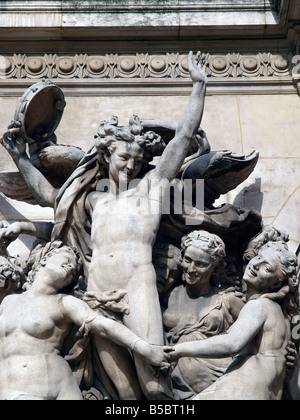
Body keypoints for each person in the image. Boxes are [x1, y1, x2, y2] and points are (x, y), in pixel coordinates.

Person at [0, 51, 208, 399]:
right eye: (124, 158)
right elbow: (56, 201)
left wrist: (199, 86)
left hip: (136, 286)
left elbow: (183, 138)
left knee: (155, 386)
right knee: (124, 393)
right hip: (96, 292)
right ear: (107, 155)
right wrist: (19, 158)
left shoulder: (151, 188)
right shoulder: (92, 198)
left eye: (137, 160)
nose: (130, 166)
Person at [0, 240, 172, 400]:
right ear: (44, 259)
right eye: (66, 260)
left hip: (48, 387)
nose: (70, 267)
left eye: (74, 270)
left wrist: (143, 348)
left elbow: (102, 325)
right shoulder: (8, 301)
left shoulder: (63, 303)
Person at [166, 241, 299, 400]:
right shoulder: (280, 315)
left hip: (242, 388)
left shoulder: (258, 305)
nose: (256, 265)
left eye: (267, 268)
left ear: (276, 283)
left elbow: (232, 343)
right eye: (258, 257)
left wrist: (177, 351)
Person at [163, 230, 244, 398]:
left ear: (215, 267)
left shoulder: (227, 300)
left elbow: (262, 331)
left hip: (220, 385)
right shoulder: (168, 294)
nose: (191, 269)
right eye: (187, 260)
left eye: (200, 264)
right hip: (172, 387)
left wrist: (284, 351)